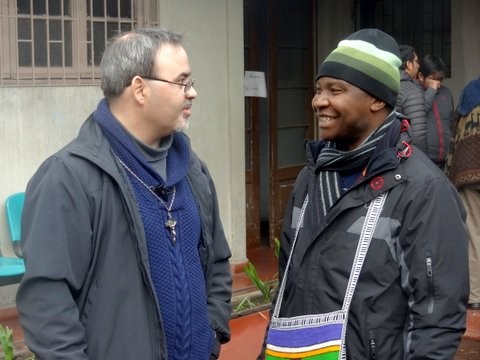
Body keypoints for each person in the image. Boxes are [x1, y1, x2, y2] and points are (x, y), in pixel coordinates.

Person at [16, 27, 232, 360]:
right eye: (182, 82)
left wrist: (213, 332)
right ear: (140, 88)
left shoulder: (192, 170)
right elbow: (47, 303)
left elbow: (216, 259)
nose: (193, 94)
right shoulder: (69, 178)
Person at [260, 29, 468, 360]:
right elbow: (286, 288)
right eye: (317, 90)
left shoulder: (422, 190)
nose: (319, 101)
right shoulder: (310, 177)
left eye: (335, 90)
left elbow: (437, 320)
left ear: (376, 99)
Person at [446, 77, 480, 310]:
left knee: (473, 236)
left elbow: (453, 136)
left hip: (467, 171)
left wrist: (449, 172)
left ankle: (475, 296)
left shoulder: (469, 92)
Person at [417, 54, 455, 169]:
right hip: (423, 161)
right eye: (433, 79)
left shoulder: (446, 93)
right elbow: (419, 113)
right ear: (420, 76)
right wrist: (431, 90)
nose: (437, 83)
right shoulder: (414, 94)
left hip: (446, 160)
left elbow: (451, 122)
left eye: (440, 79)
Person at [395, 44, 428, 153]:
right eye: (416, 61)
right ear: (409, 64)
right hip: (406, 155)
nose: (418, 66)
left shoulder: (386, 84)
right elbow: (418, 135)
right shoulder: (412, 91)